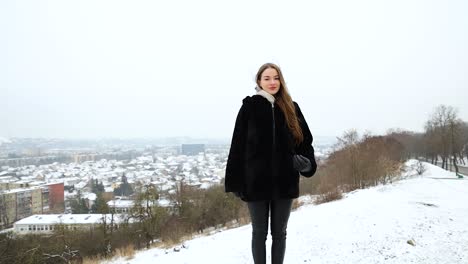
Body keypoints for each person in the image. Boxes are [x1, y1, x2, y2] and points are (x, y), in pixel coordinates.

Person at [225, 62, 317, 264]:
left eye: (276, 78)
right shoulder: (249, 107)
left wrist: (307, 164)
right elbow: (237, 146)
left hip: (285, 181)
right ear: (259, 81)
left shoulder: (292, 107)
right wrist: (236, 183)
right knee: (259, 233)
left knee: (280, 233)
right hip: (255, 183)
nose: (272, 82)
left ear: (281, 80)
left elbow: (305, 143)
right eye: (267, 78)